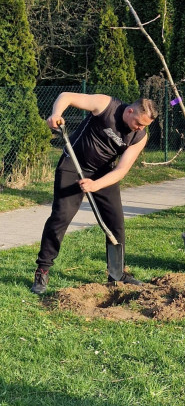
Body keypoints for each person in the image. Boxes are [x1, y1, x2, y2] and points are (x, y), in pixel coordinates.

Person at [31, 92, 158, 294]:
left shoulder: (139, 136)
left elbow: (121, 170)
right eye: (138, 123)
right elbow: (65, 96)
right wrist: (56, 114)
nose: (140, 128)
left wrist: (96, 185)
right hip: (73, 165)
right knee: (61, 217)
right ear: (130, 110)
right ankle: (43, 270)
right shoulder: (106, 105)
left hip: (103, 174)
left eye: (144, 126)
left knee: (115, 223)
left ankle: (116, 273)